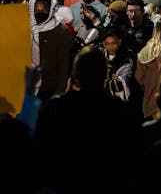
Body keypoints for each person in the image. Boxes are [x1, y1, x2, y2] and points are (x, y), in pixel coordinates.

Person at [34, 46, 141, 194]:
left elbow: (40, 152)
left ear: (75, 75)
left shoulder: (56, 107)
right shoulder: (121, 111)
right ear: (104, 74)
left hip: (65, 186)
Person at [29, 0, 73, 100]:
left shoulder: (60, 32)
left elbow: (64, 64)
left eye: (44, 10)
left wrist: (59, 92)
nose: (40, 13)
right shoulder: (23, 28)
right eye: (37, 10)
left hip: (49, 87)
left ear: (50, 10)